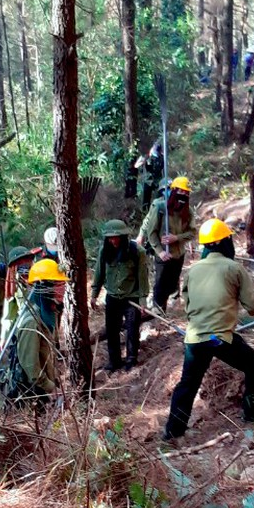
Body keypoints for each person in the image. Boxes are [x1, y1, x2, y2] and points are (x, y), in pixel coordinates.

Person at [163, 219, 254, 440]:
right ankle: (253, 414)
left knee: (188, 384)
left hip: (195, 339)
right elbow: (251, 304)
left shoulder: (193, 270)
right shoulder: (234, 268)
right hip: (218, 338)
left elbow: (187, 305)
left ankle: (172, 432)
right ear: (225, 242)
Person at [4, 259, 66, 407]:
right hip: (28, 394)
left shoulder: (50, 312)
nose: (63, 289)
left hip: (42, 387)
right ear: (46, 287)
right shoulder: (31, 321)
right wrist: (51, 388)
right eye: (59, 285)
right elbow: (30, 366)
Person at [90, 220, 150, 372]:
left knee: (132, 329)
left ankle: (131, 359)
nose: (113, 241)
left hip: (131, 297)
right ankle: (114, 360)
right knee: (112, 330)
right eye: (110, 238)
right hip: (112, 297)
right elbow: (99, 273)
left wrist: (143, 300)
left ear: (124, 237)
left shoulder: (138, 251)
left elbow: (143, 277)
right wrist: (94, 295)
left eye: (116, 237)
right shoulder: (104, 251)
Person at [142, 176, 197, 312]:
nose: (183, 195)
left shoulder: (187, 211)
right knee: (160, 285)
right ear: (173, 190)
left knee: (172, 285)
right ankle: (157, 311)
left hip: (178, 255)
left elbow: (192, 232)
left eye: (186, 193)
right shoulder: (160, 207)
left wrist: (176, 238)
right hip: (163, 255)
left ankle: (166, 308)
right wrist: (160, 251)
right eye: (180, 191)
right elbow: (152, 232)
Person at [0, 245, 38, 351]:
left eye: (25, 261)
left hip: (42, 328)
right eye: (19, 263)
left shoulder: (41, 278)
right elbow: (8, 316)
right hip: (24, 330)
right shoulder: (14, 285)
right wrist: (4, 337)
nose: (24, 265)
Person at [136, 142, 165, 212]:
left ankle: (158, 212)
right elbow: (136, 165)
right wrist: (143, 160)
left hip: (157, 180)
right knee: (146, 200)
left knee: (159, 198)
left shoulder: (162, 157)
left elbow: (163, 170)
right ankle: (145, 213)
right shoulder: (146, 157)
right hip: (148, 181)